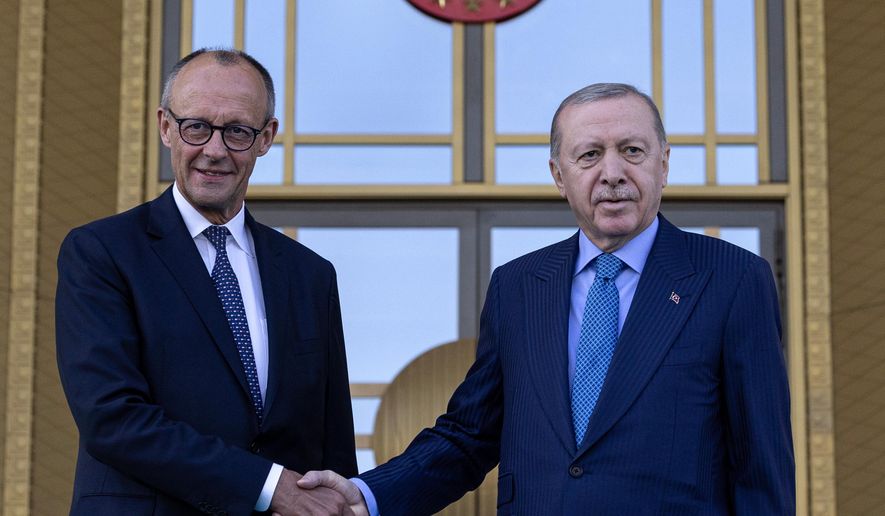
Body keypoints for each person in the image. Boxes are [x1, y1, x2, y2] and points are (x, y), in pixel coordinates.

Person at [298, 83, 795, 514]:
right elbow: (470, 436)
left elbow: (761, 464)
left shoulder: (732, 279)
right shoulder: (517, 287)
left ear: (664, 165)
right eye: (589, 155)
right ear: (560, 176)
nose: (613, 172)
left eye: (633, 151)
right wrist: (366, 495)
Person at [56, 48, 357, 515]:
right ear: (165, 127)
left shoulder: (310, 275)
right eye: (196, 127)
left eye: (237, 131)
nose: (214, 151)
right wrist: (269, 486)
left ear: (266, 137)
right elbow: (112, 418)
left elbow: (331, 445)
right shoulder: (102, 253)